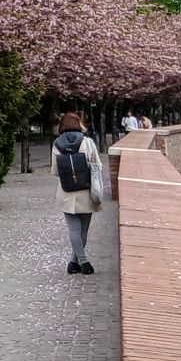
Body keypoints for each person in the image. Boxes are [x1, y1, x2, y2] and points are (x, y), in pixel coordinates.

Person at [54, 112, 107, 275]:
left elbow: (55, 171)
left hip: (66, 192)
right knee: (83, 230)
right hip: (85, 191)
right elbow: (97, 165)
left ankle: (73, 263)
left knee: (73, 230)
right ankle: (83, 262)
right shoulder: (87, 142)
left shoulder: (56, 144)